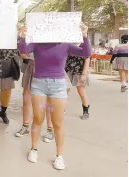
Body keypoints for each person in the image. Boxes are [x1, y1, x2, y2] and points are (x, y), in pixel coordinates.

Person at [19, 23, 91, 170]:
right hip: (39, 84)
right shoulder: (37, 43)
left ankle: (59, 156)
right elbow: (24, 50)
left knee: (58, 123)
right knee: (38, 119)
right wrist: (22, 37)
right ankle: (33, 149)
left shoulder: (65, 44)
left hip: (58, 85)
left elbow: (85, 53)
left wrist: (84, 35)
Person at [65, 51, 91, 120]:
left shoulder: (84, 44)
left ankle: (86, 111)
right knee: (64, 91)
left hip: (80, 71)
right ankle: (61, 109)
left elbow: (87, 59)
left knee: (81, 91)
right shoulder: (68, 43)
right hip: (68, 70)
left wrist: (84, 74)